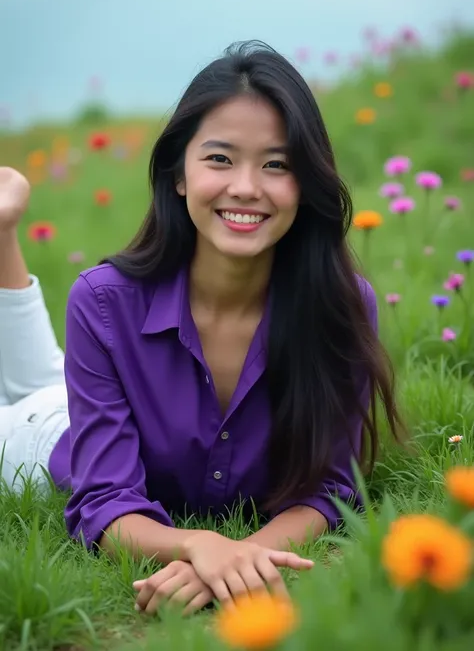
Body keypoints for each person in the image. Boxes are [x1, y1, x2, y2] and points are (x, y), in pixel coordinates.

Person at [0, 40, 401, 616]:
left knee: (43, 373)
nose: (245, 186)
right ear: (179, 174)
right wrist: (196, 543)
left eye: (276, 164)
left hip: (79, 402)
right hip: (42, 437)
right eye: (219, 159)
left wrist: (236, 558)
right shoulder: (103, 299)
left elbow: (331, 491)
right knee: (32, 394)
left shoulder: (340, 305)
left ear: (305, 182)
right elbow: (104, 500)